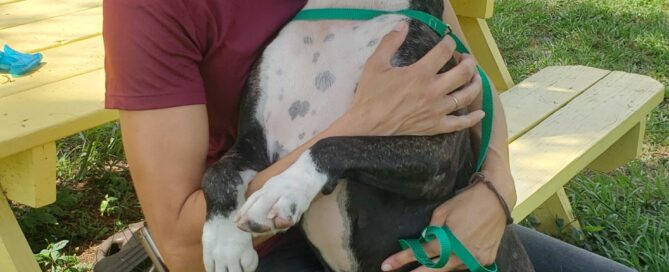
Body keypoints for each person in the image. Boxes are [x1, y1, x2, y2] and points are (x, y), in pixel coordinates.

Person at [103, 0, 636, 271]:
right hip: (268, 247)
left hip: (418, 213)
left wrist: (495, 192)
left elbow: (463, 76)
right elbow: (178, 241)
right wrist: (363, 125)